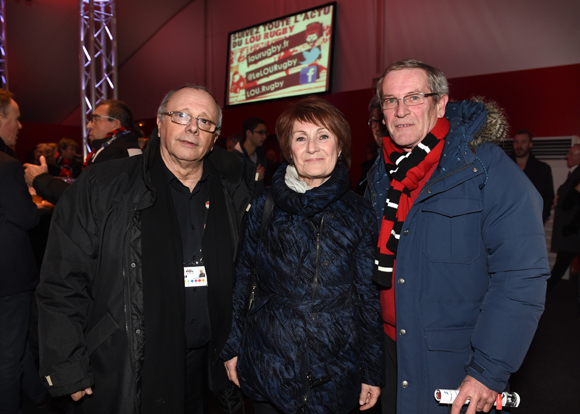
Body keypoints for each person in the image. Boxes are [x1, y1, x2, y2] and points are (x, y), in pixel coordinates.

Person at [36, 84, 255, 413]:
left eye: (204, 121)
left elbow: (246, 278)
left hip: (207, 369)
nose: (192, 127)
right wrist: (66, 363)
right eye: (181, 116)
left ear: (215, 136)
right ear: (159, 121)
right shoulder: (104, 186)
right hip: (126, 362)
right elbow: (62, 279)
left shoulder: (233, 194)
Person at [367, 59, 549, 414]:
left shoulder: (485, 167)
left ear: (441, 103)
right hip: (389, 357)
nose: (401, 110)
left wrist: (488, 371)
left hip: (458, 366)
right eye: (390, 100)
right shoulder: (380, 175)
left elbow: (521, 274)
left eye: (414, 97)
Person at [222, 96, 385, 414]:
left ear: (340, 147)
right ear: (289, 149)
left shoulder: (359, 211)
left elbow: (367, 298)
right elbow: (243, 278)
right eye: (301, 138)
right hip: (269, 368)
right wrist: (231, 348)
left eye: (323, 135)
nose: (312, 147)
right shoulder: (264, 204)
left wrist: (372, 371)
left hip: (335, 376)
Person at [0, 89, 56, 414]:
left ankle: (38, 397)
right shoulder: (7, 167)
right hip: (10, 278)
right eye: (15, 118)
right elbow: (25, 217)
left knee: (13, 344)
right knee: (7, 356)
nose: (20, 126)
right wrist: (38, 197)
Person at [24, 100, 141, 204]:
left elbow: (85, 199)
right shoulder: (127, 148)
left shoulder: (115, 153)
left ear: (115, 124)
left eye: (95, 120)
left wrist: (40, 179)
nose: (88, 125)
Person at [548, 144, 580, 292]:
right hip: (570, 231)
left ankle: (542, 293)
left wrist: (561, 198)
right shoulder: (574, 173)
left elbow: (568, 203)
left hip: (572, 231)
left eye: (571, 153)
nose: (568, 156)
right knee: (560, 265)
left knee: (560, 266)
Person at [511, 129, 554, 222]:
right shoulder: (502, 167)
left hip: (532, 221)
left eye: (523, 142)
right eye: (516, 142)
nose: (519, 146)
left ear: (530, 144)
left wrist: (540, 218)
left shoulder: (543, 169)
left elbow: (548, 197)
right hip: (506, 221)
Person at [236, 117, 267, 194]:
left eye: (265, 133)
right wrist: (255, 178)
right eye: (261, 132)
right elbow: (232, 189)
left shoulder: (261, 158)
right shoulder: (234, 157)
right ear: (249, 133)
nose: (264, 137)